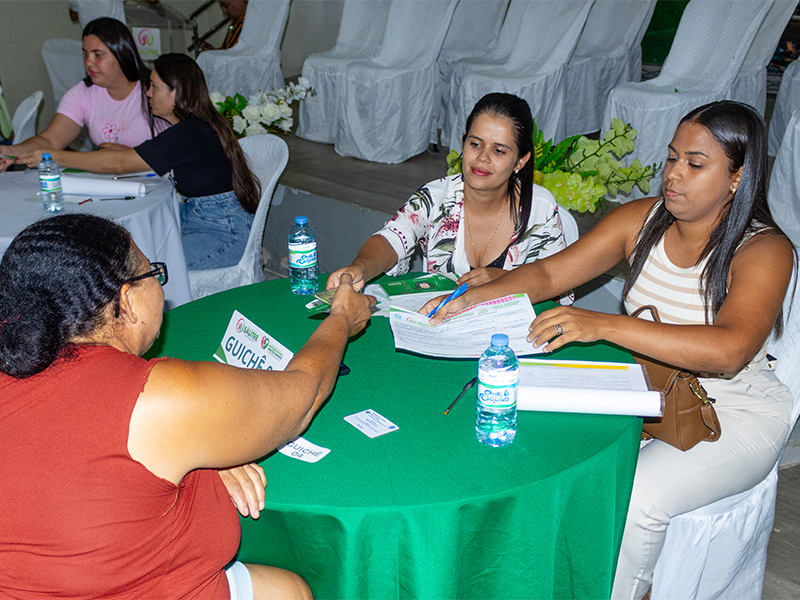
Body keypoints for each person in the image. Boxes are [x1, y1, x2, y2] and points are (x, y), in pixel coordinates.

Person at [421, 100, 795, 599]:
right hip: (644, 390)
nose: (673, 174)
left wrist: (605, 326)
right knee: (538, 451)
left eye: (695, 164)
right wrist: (472, 298)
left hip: (731, 411)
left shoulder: (764, 249)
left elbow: (730, 349)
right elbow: (550, 273)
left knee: (637, 499)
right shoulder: (642, 219)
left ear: (737, 177)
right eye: (672, 157)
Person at [0, 213, 374, 599]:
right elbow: (302, 395)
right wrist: (342, 318)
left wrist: (202, 456)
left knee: (283, 589)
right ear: (126, 301)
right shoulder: (155, 396)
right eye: (153, 274)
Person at [15, 53, 260, 271]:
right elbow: (143, 157)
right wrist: (129, 153)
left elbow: (119, 165)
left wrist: (53, 156)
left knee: (142, 271)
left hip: (224, 233)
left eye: (154, 86)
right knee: (134, 257)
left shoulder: (189, 132)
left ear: (175, 92)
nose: (148, 93)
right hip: (205, 222)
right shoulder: (191, 128)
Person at [326, 93, 566, 293]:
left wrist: (507, 281)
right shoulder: (436, 197)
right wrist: (360, 268)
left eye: (499, 151)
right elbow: (393, 238)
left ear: (521, 160)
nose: (482, 158)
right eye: (475, 144)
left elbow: (558, 290)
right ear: (463, 142)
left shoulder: (540, 209)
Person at [0, 18, 162, 173]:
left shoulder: (154, 89)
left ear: (122, 53)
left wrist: (128, 155)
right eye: (85, 54)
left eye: (98, 55)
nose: (89, 63)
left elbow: (169, 150)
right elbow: (50, 141)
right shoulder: (83, 92)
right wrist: (10, 151)